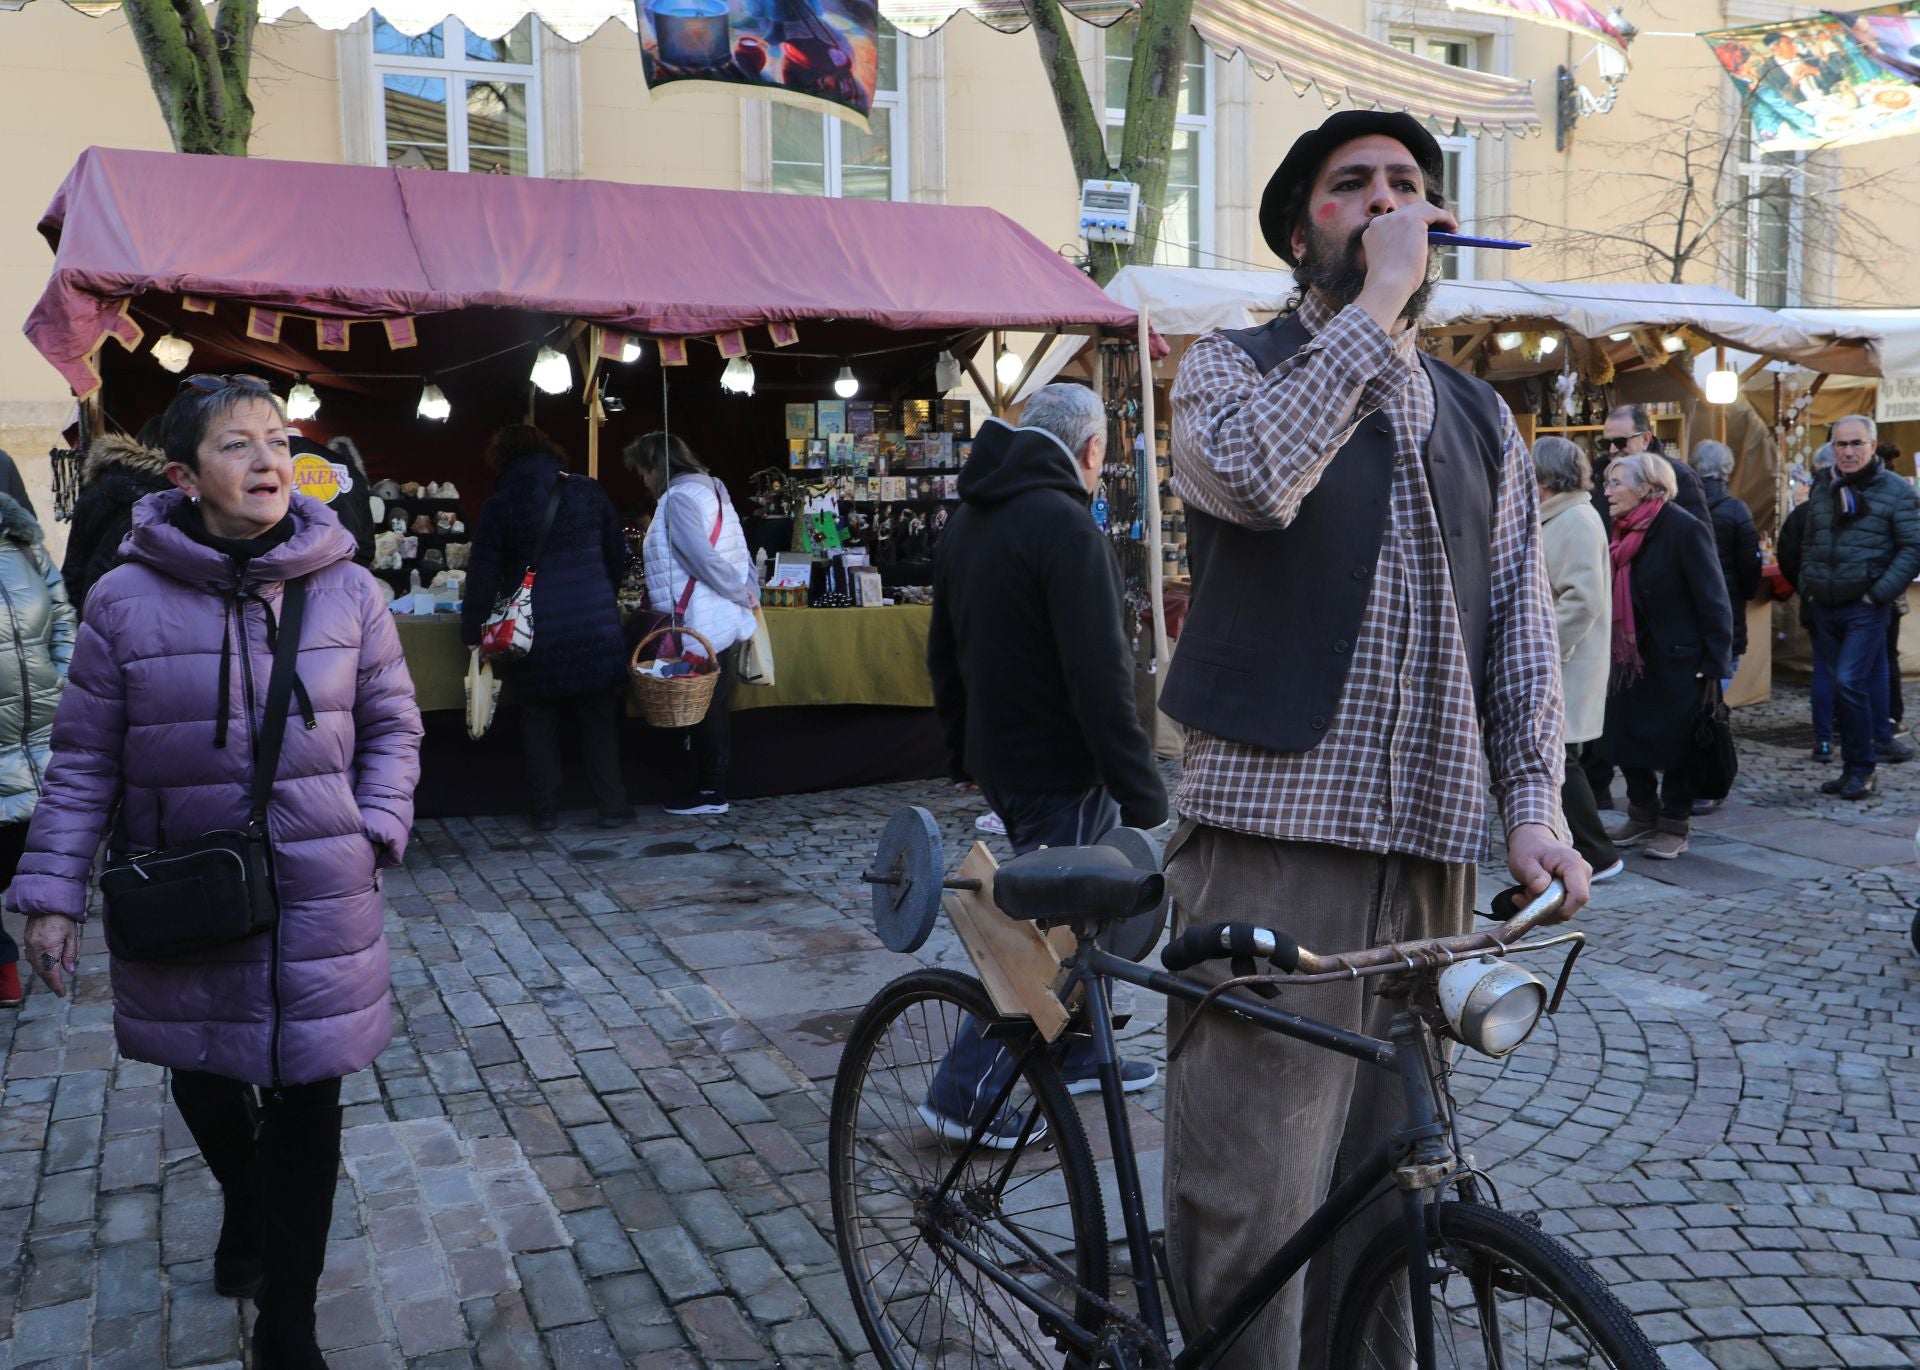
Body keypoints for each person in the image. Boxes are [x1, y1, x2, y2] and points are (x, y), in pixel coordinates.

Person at [1159, 110, 1586, 1369]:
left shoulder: (1480, 417)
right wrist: (1378, 304)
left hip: (1427, 849)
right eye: (1355, 189)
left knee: (1392, 1185)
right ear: (1304, 230)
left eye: (1410, 186)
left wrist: (1536, 806)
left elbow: (1516, 628)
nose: (1390, 203)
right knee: (1254, 1192)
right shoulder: (1229, 370)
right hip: (1278, 834)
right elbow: (1251, 479)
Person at [10, 373, 421, 1368]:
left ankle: (290, 1319)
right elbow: (84, 759)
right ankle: (246, 1197)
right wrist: (53, 894)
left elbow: (395, 726)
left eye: (278, 439)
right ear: (187, 473)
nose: (267, 459)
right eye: (238, 443)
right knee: (203, 1068)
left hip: (323, 889)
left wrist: (372, 828)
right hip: (184, 884)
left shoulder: (350, 590)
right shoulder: (123, 600)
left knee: (311, 1097)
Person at [919, 383, 1168, 1144]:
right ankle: (965, 1092)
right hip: (1059, 765)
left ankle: (1083, 1053)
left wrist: (963, 749)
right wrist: (1143, 791)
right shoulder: (1065, 526)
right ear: (1092, 450)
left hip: (1008, 758)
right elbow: (1100, 678)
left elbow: (943, 655)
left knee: (1078, 916)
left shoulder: (970, 520)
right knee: (1049, 935)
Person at [464, 424, 632, 832]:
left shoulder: (500, 504)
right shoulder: (588, 491)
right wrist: (599, 596)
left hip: (535, 633)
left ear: (501, 460)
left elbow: (483, 576)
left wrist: (471, 632)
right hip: (595, 626)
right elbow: (618, 555)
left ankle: (545, 811)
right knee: (598, 718)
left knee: (538, 718)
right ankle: (611, 806)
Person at [1600, 453, 1734, 858]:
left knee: (1679, 746)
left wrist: (1715, 663)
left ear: (1647, 487)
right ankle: (1642, 811)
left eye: (1615, 483)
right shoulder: (1620, 529)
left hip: (1679, 659)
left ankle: (1675, 823)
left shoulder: (1683, 529)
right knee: (1625, 736)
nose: (1607, 491)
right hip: (1629, 658)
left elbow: (1714, 598)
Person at [625, 433, 758, 817]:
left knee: (705, 709)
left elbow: (702, 559)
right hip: (717, 617)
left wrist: (738, 590)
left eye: (643, 472)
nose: (643, 481)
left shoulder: (679, 499)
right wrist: (747, 591)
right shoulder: (713, 491)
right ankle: (709, 787)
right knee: (712, 705)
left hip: (700, 621)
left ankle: (710, 791)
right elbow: (739, 550)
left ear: (657, 466)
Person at [1794, 414, 1920, 799]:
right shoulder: (1822, 486)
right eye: (1841, 444)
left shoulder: (1896, 490)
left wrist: (1878, 593)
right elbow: (1809, 542)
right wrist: (1808, 588)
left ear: (1872, 445)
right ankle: (1852, 767)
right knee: (1838, 686)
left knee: (1850, 682)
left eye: (1856, 444)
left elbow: (1914, 547)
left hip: (1865, 605)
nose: (1848, 451)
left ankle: (1863, 767)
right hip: (1825, 602)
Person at [1534, 437, 1621, 882]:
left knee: (1557, 757)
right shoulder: (1559, 517)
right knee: (1553, 755)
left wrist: (1548, 650)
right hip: (1559, 659)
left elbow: (1582, 600)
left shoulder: (1576, 521)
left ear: (1546, 480)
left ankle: (1596, 853)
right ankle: (1573, 844)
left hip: (1565, 662)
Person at [0, 492, 73, 1008]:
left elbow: (63, 619)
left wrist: (64, 683)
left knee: (38, 868)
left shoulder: (23, 545)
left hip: (41, 747)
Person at [60, 428, 174, 620]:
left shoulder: (98, 488)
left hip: (91, 609)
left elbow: (73, 571)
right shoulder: (171, 499)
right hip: (139, 618)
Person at [1778, 443, 1836, 758]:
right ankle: (1858, 735)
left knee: (1826, 670)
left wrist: (1804, 588)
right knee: (1852, 672)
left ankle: (1825, 737)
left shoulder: (1804, 512)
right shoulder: (1821, 510)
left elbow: (1787, 555)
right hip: (1839, 604)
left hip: (1818, 602)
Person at [1592, 404, 1713, 529]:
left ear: (1645, 439)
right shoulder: (1598, 475)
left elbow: (1700, 537)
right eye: (1605, 443)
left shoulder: (1680, 477)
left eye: (1620, 442)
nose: (1612, 449)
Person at [1875, 441, 1914, 758]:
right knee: (1888, 653)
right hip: (1891, 591)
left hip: (1885, 592)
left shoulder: (1893, 493)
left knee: (1885, 654)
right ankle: (1890, 715)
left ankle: (1889, 715)